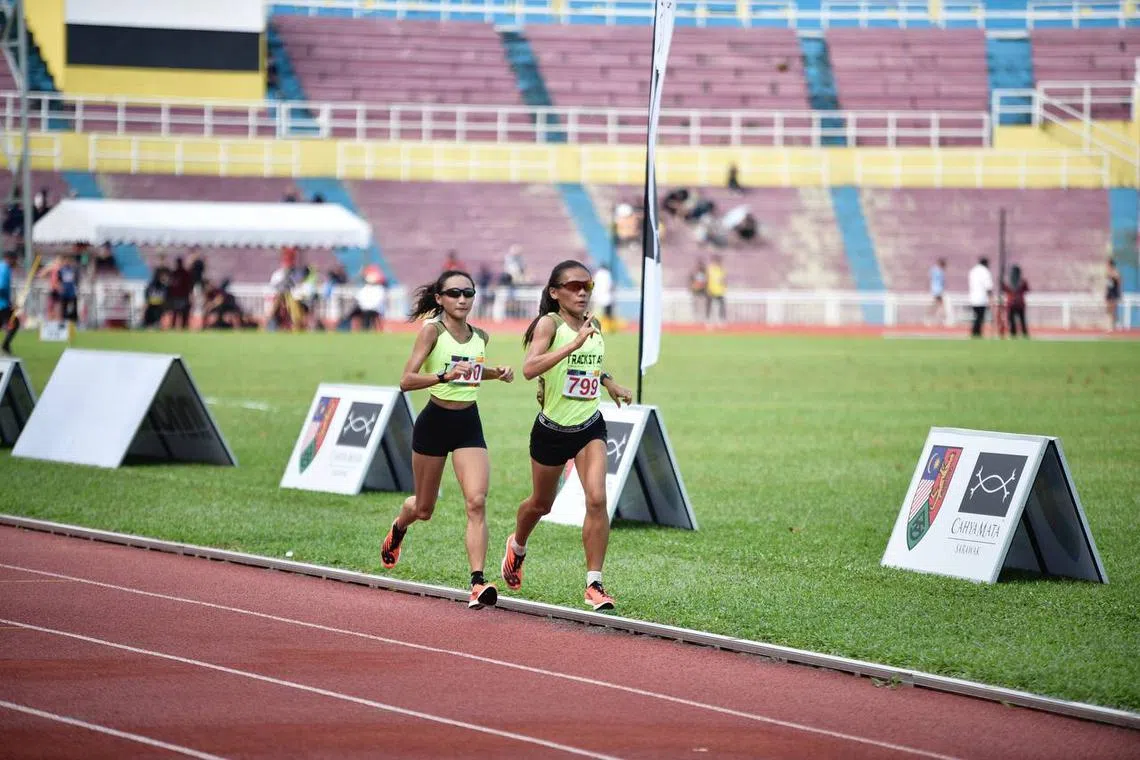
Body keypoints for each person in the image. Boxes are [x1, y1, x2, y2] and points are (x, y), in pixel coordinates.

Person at [501, 260, 634, 612]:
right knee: (541, 504)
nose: (581, 292)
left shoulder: (594, 324)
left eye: (586, 286)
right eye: (573, 286)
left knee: (596, 499)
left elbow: (589, 363)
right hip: (551, 431)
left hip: (590, 425)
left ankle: (594, 583)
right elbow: (530, 368)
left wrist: (609, 383)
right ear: (554, 292)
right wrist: (573, 343)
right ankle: (516, 545)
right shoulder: (549, 324)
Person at [379, 270, 515, 610]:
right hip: (434, 422)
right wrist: (442, 375)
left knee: (477, 501)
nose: (462, 299)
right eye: (454, 293)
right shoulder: (432, 332)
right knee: (423, 509)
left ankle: (477, 582)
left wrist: (497, 373)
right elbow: (406, 380)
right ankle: (398, 527)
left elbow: (470, 369)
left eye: (468, 293)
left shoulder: (480, 336)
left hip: (468, 422)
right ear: (439, 298)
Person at [967, 256, 993, 338]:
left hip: (973, 297)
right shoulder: (985, 271)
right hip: (981, 298)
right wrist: (991, 298)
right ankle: (976, 333)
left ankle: (976, 333)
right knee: (980, 317)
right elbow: (988, 286)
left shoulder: (973, 271)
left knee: (977, 316)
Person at [1003, 264, 1030, 339]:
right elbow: (1027, 290)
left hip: (1011, 303)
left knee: (1012, 321)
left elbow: (1004, 289)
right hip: (1020, 303)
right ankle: (1024, 334)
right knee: (1022, 320)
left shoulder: (1008, 282)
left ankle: (1013, 334)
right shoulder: (1022, 281)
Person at [0, 250, 14, 355]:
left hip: (4, 303)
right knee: (14, 323)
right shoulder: (5, 269)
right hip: (2, 304)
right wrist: (9, 302)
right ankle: (5, 345)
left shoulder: (2, 267)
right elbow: (2, 287)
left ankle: (5, 345)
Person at [928, 258, 946, 326]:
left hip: (934, 289)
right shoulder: (939, 271)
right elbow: (941, 282)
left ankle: (932, 318)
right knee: (940, 305)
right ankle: (942, 319)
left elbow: (930, 279)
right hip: (938, 290)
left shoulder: (933, 269)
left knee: (936, 305)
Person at [1105, 258, 1122, 332]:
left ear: (1111, 264)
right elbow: (1108, 284)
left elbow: (1119, 283)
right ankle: (1111, 325)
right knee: (1108, 310)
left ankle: (1114, 325)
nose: (1107, 265)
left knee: (1112, 310)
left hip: (1114, 293)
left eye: (1108, 264)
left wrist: (1119, 293)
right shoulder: (1107, 272)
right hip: (1109, 292)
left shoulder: (1115, 272)